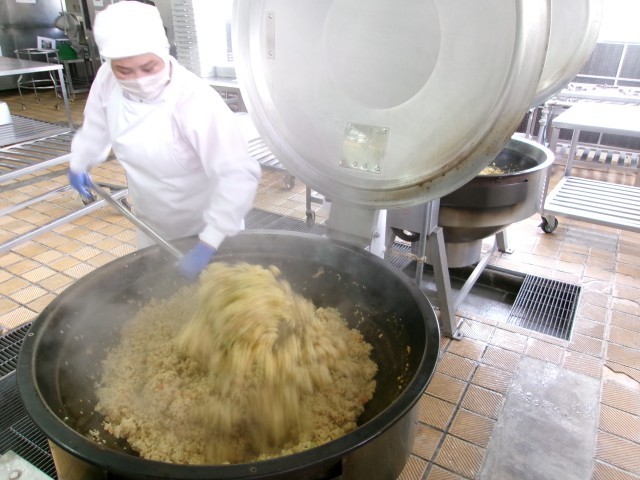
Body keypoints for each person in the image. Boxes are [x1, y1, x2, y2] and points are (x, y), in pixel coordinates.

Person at [68, 1, 261, 280]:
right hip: (151, 224)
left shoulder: (194, 100)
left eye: (148, 67)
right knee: (160, 287)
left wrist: (209, 242)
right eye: (124, 71)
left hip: (208, 229)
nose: (138, 79)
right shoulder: (107, 80)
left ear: (163, 52)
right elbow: (96, 128)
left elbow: (237, 175)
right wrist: (81, 160)